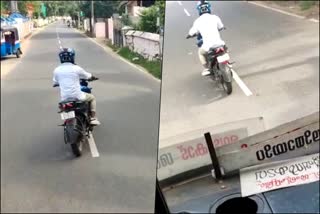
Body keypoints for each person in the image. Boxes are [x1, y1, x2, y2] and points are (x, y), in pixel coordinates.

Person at [53, 48, 100, 125]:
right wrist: (92, 77)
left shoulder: (56, 70)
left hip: (65, 98)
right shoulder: (76, 68)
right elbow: (87, 76)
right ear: (72, 57)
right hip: (78, 96)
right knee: (92, 98)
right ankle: (92, 118)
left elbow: (55, 81)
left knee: (63, 107)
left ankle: (67, 120)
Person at [187, 1, 226, 76]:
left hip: (208, 46)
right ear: (209, 8)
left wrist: (189, 35)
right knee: (225, 48)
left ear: (199, 10)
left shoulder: (197, 21)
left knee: (200, 53)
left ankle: (207, 68)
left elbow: (191, 32)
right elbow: (221, 27)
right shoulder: (215, 17)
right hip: (220, 44)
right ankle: (227, 62)